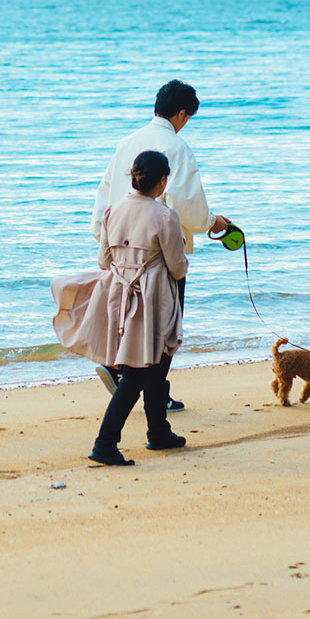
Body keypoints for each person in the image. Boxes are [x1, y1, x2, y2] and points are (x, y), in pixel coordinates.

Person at [89, 80, 230, 412]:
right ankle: (155, 397)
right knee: (165, 329)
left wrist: (102, 237)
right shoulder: (177, 147)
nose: (185, 125)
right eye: (187, 118)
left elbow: (104, 192)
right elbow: (185, 203)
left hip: (120, 249)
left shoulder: (127, 142)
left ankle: (119, 368)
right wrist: (212, 222)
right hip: (158, 255)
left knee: (128, 319)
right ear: (181, 113)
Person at [72, 150, 187, 465]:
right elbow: (177, 268)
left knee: (146, 367)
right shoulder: (165, 216)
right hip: (153, 298)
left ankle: (159, 431)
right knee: (141, 371)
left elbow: (103, 261)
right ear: (163, 181)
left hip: (120, 297)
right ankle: (105, 443)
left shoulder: (112, 211)